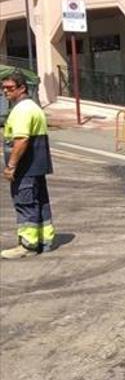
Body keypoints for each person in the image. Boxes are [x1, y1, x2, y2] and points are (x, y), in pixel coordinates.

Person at [2, 70, 55, 259]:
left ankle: (28, 245)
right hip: (37, 166)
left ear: (22, 88)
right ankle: (45, 240)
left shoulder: (22, 110)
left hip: (26, 167)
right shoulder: (33, 107)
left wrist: (11, 166)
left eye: (9, 88)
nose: (5, 92)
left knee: (25, 203)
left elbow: (22, 140)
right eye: (3, 88)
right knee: (40, 202)